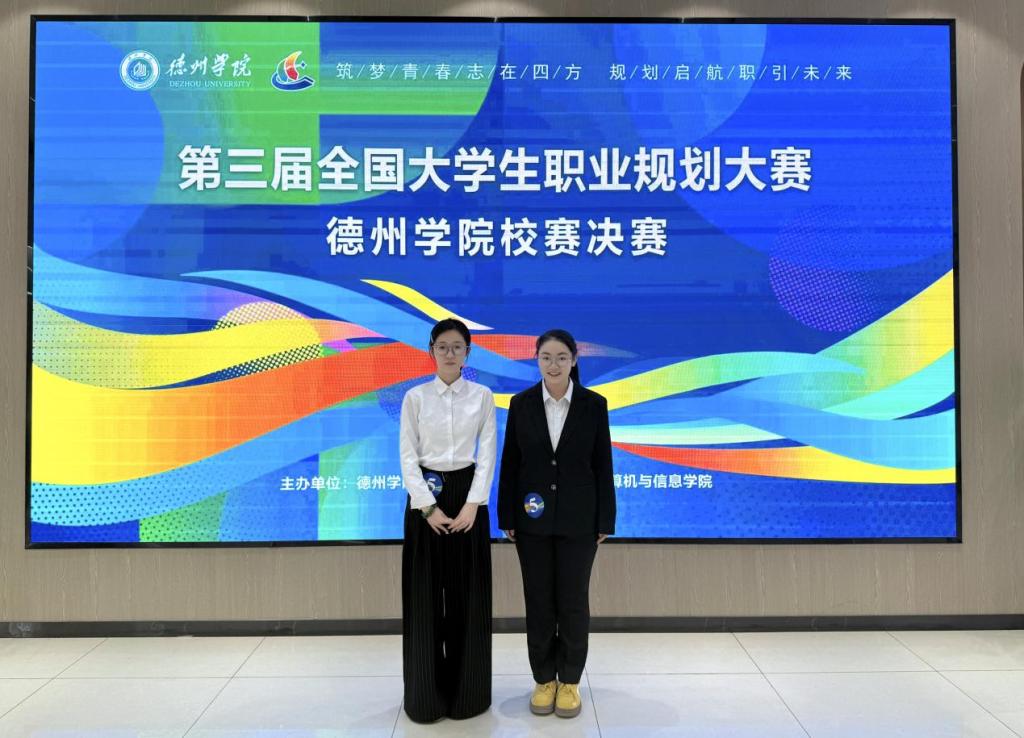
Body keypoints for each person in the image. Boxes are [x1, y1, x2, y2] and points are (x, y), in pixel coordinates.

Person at [498, 328, 616, 719]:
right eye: (546, 357)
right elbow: (511, 464)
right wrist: (507, 515)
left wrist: (606, 518)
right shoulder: (521, 404)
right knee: (539, 602)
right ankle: (543, 679)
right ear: (537, 360)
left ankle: (569, 681)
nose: (553, 365)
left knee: (573, 602)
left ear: (574, 360)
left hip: (580, 523)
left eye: (561, 357)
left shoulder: (593, 405)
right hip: (531, 522)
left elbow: (602, 465)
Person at [399, 318, 497, 722]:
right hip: (426, 498)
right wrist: (428, 508)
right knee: (424, 597)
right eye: (443, 346)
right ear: (431, 351)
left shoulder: (483, 396)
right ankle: (425, 697)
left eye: (458, 347)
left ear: (468, 353)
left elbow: (487, 453)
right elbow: (407, 456)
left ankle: (467, 696)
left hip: (468, 496)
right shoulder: (415, 397)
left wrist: (473, 505)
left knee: (468, 597)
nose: (450, 353)